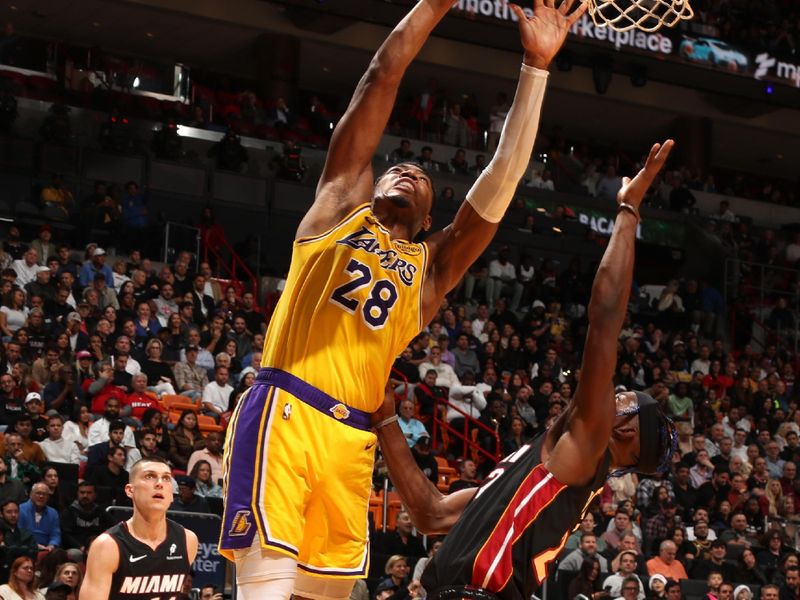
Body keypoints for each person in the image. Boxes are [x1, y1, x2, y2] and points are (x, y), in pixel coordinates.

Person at [221, 1, 591, 599]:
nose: (409, 170)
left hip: (351, 443)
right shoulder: (339, 207)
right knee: (264, 590)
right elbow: (381, 77)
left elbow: (502, 178)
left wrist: (536, 68)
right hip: (285, 409)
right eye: (400, 166)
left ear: (428, 218)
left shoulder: (431, 269)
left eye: (423, 177)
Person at [373, 133, 675, 600]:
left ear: (629, 431)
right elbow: (430, 512)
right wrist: (386, 417)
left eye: (623, 400)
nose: (611, 395)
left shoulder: (589, 444)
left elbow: (605, 321)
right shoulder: (534, 479)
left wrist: (628, 210)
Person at [80, 457, 198, 599]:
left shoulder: (188, 540)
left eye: (166, 478)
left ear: (172, 495)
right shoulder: (107, 546)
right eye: (150, 476)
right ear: (130, 490)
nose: (160, 483)